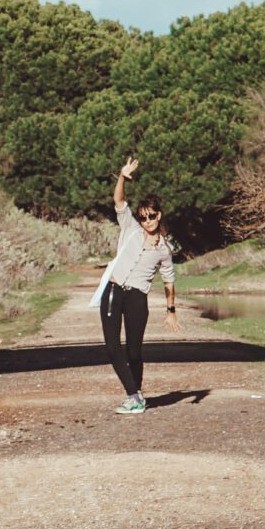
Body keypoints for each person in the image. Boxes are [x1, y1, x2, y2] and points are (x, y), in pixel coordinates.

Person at [95, 156, 178, 414]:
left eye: (151, 216)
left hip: (137, 299)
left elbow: (168, 280)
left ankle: (136, 393)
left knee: (133, 351)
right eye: (143, 217)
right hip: (114, 290)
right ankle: (134, 396)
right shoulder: (130, 228)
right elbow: (119, 202)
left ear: (159, 215)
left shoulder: (165, 249)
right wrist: (122, 176)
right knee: (111, 347)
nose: (147, 221)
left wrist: (171, 310)